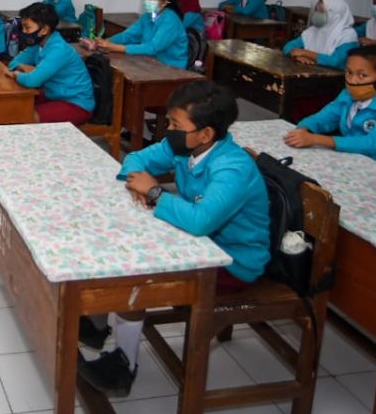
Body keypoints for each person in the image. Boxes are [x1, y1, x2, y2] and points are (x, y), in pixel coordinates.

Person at [79, 81, 269, 396]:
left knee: (137, 275)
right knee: (119, 249)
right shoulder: (184, 147)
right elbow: (135, 161)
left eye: (175, 125)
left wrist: (154, 192)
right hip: (198, 245)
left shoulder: (231, 167)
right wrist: (137, 182)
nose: (167, 130)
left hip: (233, 262)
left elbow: (200, 220)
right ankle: (98, 326)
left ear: (206, 134)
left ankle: (124, 366)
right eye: (168, 121)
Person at [284, 45, 376, 175]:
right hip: (356, 160)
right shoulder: (347, 95)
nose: (352, 80)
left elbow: (371, 143)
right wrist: (304, 128)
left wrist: (315, 139)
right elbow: (325, 117)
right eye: (349, 72)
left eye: (362, 75)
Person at [7, 3, 94, 124]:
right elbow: (13, 63)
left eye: (27, 28)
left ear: (44, 30)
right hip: (54, 95)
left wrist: (17, 75)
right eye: (23, 28)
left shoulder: (59, 50)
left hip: (76, 103)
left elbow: (32, 81)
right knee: (12, 106)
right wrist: (22, 67)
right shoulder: (38, 44)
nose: (24, 32)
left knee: (26, 116)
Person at [96, 0, 189, 69]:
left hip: (171, 67)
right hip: (150, 61)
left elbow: (153, 48)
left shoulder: (171, 20)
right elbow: (128, 35)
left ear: (164, 2)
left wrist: (114, 47)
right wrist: (103, 42)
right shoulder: (147, 16)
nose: (147, 1)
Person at [283, 0, 359, 68]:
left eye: (322, 11)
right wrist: (298, 56)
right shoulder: (313, 30)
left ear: (336, 15)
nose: (317, 14)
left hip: (335, 78)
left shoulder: (348, 35)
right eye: (317, 10)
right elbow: (289, 46)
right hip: (312, 71)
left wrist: (306, 53)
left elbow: (335, 61)